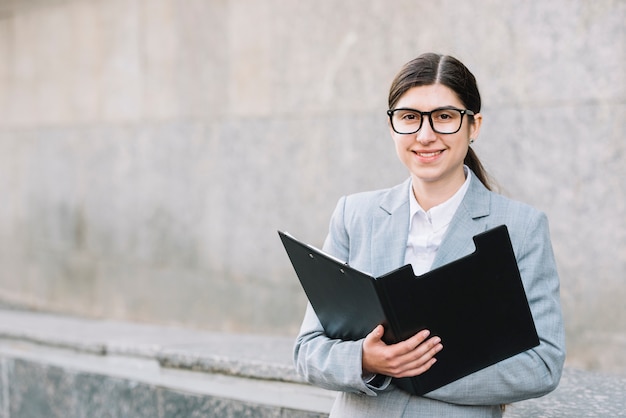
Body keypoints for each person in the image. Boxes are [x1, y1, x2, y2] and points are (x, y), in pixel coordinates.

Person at [293, 52, 566, 417]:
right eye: (409, 118)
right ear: (392, 126)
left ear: (474, 125)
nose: (425, 135)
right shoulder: (353, 215)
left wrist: (412, 369)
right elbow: (308, 350)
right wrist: (366, 360)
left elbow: (543, 363)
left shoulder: (521, 227)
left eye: (444, 117)